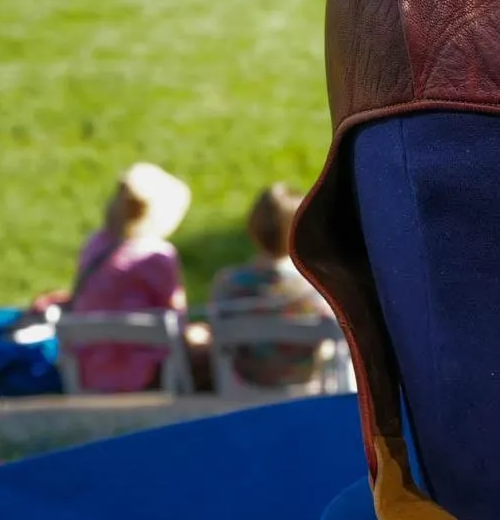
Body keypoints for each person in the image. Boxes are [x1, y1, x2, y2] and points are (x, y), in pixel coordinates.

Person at [37, 163, 201, 392]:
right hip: (147, 373)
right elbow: (176, 317)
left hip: (89, 372)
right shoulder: (157, 257)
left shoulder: (95, 246)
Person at [209, 184, 337, 389]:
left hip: (249, 382)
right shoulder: (316, 285)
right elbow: (334, 332)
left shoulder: (228, 283)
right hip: (308, 382)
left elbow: (216, 333)